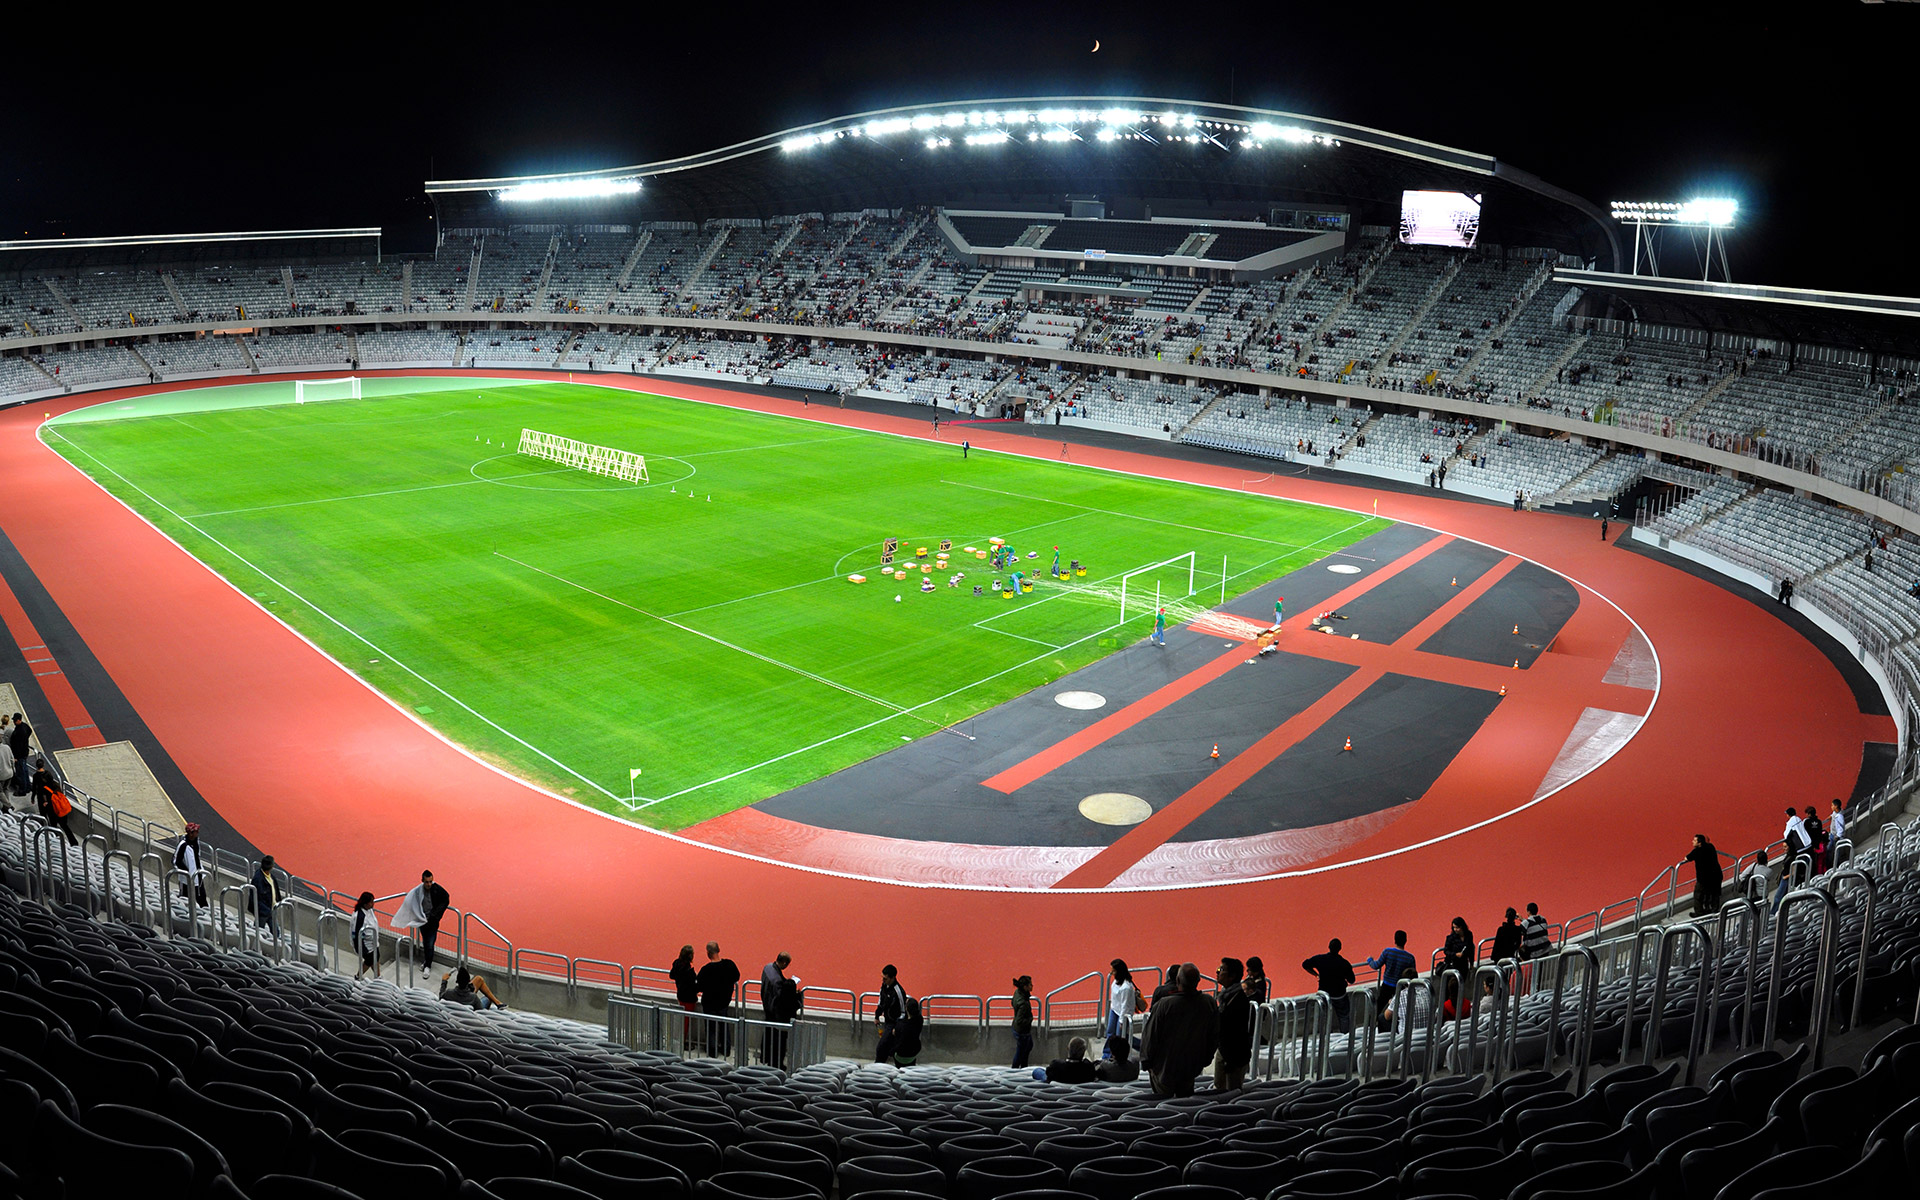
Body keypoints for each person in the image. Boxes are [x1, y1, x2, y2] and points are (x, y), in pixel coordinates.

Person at [1140, 963, 1219, 1097]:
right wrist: (1205, 1059)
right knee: (1185, 1100)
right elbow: (1214, 1035)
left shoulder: (1164, 1005)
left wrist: (1147, 1062)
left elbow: (1150, 1036)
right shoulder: (1208, 1003)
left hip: (1164, 1068)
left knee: (1163, 1102)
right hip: (1191, 1067)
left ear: (1177, 980)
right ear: (1198, 981)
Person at [395, 871, 452, 969]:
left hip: (432, 921)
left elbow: (446, 899)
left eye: (430, 882)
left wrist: (435, 915)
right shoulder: (418, 891)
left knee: (430, 944)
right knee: (426, 942)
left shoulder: (436, 889)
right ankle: (427, 962)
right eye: (427, 882)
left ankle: (428, 965)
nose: (429, 884)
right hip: (422, 921)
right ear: (422, 881)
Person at [1213, 957, 1254, 1092]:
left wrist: (1230, 1061)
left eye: (1221, 969)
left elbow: (1235, 1033)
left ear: (1232, 976)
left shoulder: (1237, 1000)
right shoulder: (1228, 996)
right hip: (1226, 1053)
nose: (1217, 972)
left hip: (1233, 1057)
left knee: (1230, 1092)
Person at [1301, 939, 1357, 1033]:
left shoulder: (1320, 959)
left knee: (1324, 1017)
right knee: (1344, 1016)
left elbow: (1305, 964)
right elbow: (1352, 980)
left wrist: (1316, 974)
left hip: (1324, 994)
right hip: (1339, 995)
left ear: (1329, 947)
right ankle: (1345, 1037)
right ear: (1340, 948)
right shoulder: (1344, 963)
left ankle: (1325, 1036)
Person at [697, 942, 741, 1057]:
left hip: (709, 1003)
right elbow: (736, 976)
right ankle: (726, 1050)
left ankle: (712, 1052)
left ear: (708, 953)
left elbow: (699, 987)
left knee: (711, 1028)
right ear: (719, 950)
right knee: (724, 1026)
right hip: (723, 1002)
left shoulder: (705, 970)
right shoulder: (729, 965)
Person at [761, 953, 802, 1067]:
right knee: (778, 1041)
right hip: (776, 1014)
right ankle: (776, 1064)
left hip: (768, 1008)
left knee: (768, 1036)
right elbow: (783, 997)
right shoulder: (777, 981)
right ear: (784, 963)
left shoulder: (768, 967)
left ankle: (766, 1057)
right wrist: (795, 993)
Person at [1363, 931, 1417, 1017]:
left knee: (1378, 1007)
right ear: (1405, 941)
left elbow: (1376, 965)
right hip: (1400, 988)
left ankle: (1371, 1023)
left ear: (1394, 940)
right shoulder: (1410, 958)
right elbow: (1412, 975)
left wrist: (1370, 960)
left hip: (1386, 986)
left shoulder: (1387, 952)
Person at [31, 762, 79, 847]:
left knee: (53, 825)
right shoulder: (55, 785)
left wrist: (34, 798)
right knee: (65, 826)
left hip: (52, 809)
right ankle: (74, 842)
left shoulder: (43, 788)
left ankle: (57, 842)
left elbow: (38, 791)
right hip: (61, 808)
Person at [874, 964, 909, 1064]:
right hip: (887, 1022)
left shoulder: (899, 992)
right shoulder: (884, 986)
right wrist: (877, 1016)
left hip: (893, 1024)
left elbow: (903, 1012)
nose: (883, 980)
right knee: (888, 1048)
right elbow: (881, 1002)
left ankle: (877, 1066)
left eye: (885, 979)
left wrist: (897, 1027)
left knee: (881, 1047)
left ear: (892, 978)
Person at [1776, 808, 1808, 913]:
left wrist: (1785, 876)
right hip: (1807, 847)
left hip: (1799, 851)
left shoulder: (1791, 822)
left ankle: (1775, 912)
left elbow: (1786, 835)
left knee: (1780, 895)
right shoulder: (1799, 819)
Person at [1441, 917, 1475, 1016]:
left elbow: (1471, 950)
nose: (1455, 929)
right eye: (1454, 927)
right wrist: (1455, 954)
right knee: (1452, 987)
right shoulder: (1450, 938)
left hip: (1463, 965)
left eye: (1457, 927)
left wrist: (1471, 963)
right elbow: (1446, 951)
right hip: (1453, 966)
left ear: (1462, 927)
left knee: (1461, 986)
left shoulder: (1469, 935)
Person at [1104, 960, 1140, 1050]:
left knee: (1120, 1036)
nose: (1111, 973)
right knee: (1110, 1032)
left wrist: (1121, 1021)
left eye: (1113, 971)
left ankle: (1141, 1045)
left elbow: (1125, 1005)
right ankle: (1107, 1053)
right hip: (1114, 1010)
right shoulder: (1117, 981)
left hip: (1123, 1014)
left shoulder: (1126, 987)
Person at [1687, 834, 1724, 916]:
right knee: (1714, 894)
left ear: (1699, 843)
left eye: (1695, 840)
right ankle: (1714, 911)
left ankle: (1699, 913)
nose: (1692, 842)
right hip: (1716, 876)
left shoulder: (1697, 851)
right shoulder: (1711, 847)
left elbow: (1687, 858)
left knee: (1698, 895)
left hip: (1704, 879)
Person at [439, 966, 506, 1010]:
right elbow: (480, 1011)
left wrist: (444, 981)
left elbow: (441, 997)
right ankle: (497, 1003)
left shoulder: (449, 993)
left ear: (457, 981)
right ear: (468, 981)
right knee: (488, 998)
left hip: (460, 1003)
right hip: (470, 1007)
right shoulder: (473, 997)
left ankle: (498, 1003)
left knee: (478, 979)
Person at [173, 823, 208, 907]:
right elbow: (175, 861)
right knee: (185, 900)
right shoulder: (183, 845)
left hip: (198, 876)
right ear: (191, 833)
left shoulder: (196, 842)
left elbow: (197, 857)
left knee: (202, 899)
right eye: (196, 831)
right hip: (186, 880)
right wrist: (186, 872)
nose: (198, 832)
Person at [671, 945, 700, 1040]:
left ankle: (681, 1039)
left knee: (683, 1020)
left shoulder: (676, 963)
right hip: (689, 999)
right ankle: (682, 1041)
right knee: (686, 1021)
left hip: (680, 995)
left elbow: (671, 975)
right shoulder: (689, 972)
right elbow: (695, 987)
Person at [251, 856, 281, 943]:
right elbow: (255, 897)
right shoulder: (258, 879)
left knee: (276, 932)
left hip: (271, 909)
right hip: (263, 910)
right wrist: (264, 909)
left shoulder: (270, 877)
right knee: (259, 931)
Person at [351, 892, 380, 981]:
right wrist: (360, 947)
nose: (373, 903)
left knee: (376, 957)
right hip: (365, 944)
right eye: (371, 902)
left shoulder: (369, 910)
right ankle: (358, 976)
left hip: (373, 941)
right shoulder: (359, 916)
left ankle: (378, 977)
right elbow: (356, 933)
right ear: (365, 903)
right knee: (370, 960)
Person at [1010, 975, 1035, 1070]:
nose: (1032, 986)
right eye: (1030, 984)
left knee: (1027, 1047)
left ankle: (1023, 1067)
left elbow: (1012, 1002)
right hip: (1022, 1031)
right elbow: (1020, 1021)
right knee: (1021, 1052)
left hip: (1018, 1029)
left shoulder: (1017, 993)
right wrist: (1030, 1019)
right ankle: (1016, 1069)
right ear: (1025, 987)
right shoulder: (1023, 1003)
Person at [891, 996, 924, 1067]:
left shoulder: (901, 1025)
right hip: (913, 1054)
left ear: (907, 1009)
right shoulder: (919, 1020)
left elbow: (897, 1037)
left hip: (900, 1056)